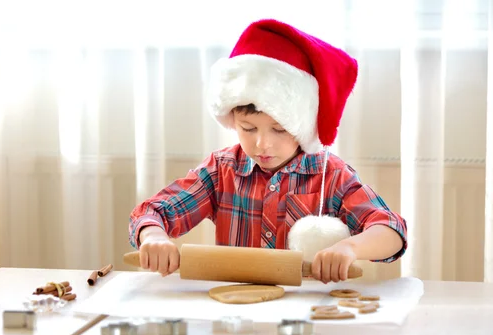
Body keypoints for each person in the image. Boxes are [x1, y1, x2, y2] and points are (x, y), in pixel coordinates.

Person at [128, 19, 407, 284]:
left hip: (306, 314)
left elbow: (391, 231)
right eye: (248, 129)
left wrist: (350, 247)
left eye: (279, 129)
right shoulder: (221, 170)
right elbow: (154, 212)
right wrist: (154, 237)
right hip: (237, 313)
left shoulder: (330, 175)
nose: (262, 144)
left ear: (303, 124)